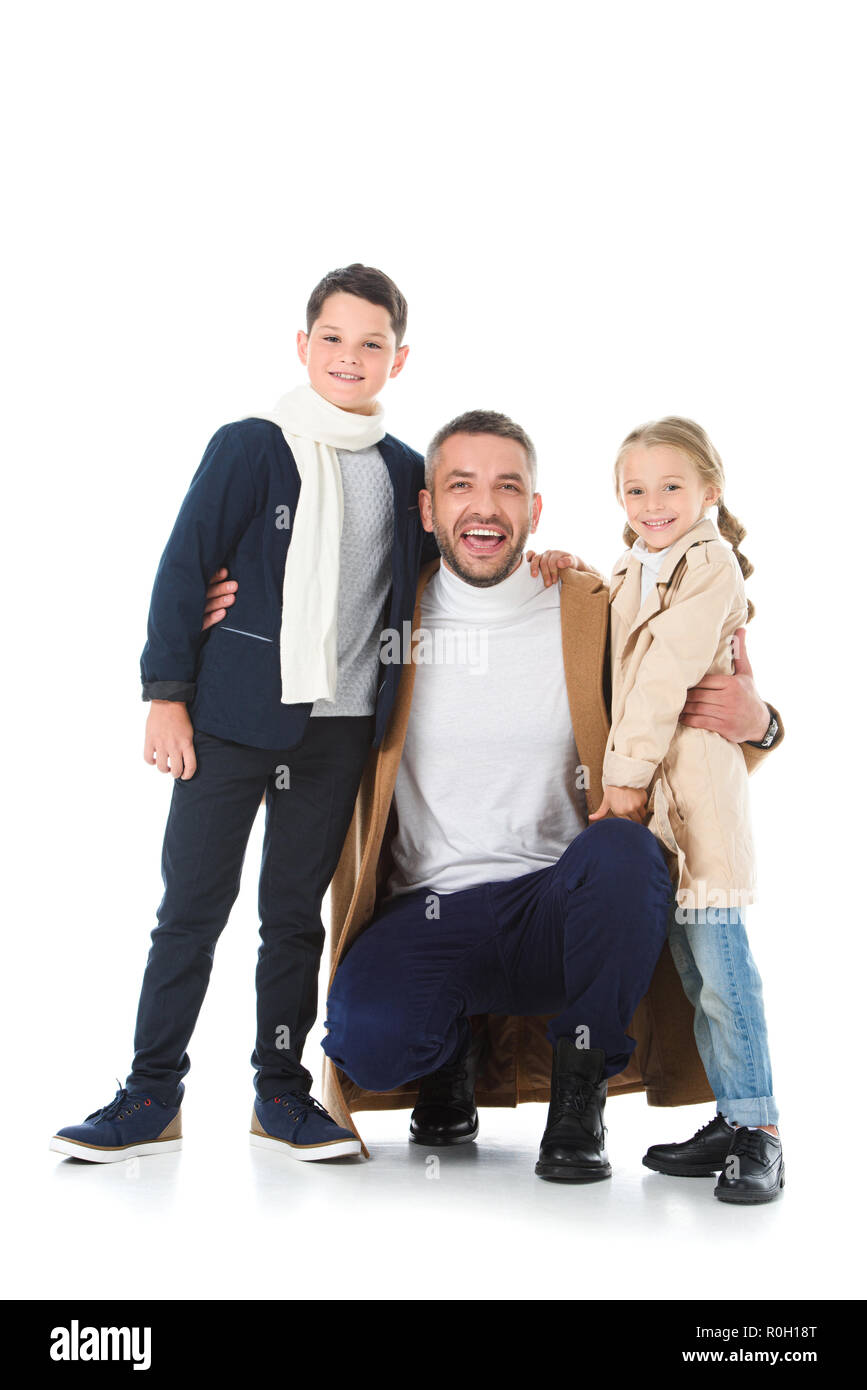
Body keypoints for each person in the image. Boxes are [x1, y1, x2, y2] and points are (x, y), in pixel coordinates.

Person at [315, 410, 782, 1182]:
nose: (485, 506)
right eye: (460, 486)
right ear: (429, 509)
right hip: (428, 906)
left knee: (625, 852)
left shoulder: (591, 605)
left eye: (508, 488)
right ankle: (449, 1051)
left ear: (535, 510)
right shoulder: (384, 619)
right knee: (368, 1041)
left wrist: (761, 725)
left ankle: (577, 1100)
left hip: (559, 908)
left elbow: (683, 721)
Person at [50, 263, 440, 1164]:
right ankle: (150, 1093)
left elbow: (441, 572)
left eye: (371, 343)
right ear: (302, 347)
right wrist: (165, 695)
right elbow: (185, 567)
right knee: (190, 907)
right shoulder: (249, 445)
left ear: (399, 357)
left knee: (292, 916)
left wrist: (555, 562)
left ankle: (279, 1093)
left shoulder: (404, 470)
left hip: (340, 726)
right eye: (333, 339)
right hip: (229, 718)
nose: (350, 357)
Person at [592, 416, 783, 1203]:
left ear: (708, 490)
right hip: (659, 806)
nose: (651, 500)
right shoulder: (632, 567)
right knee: (688, 966)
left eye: (671, 485)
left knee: (721, 965)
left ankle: (759, 1128)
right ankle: (727, 1116)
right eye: (634, 488)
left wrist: (624, 779)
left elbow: (663, 674)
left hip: (690, 796)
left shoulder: (708, 566)